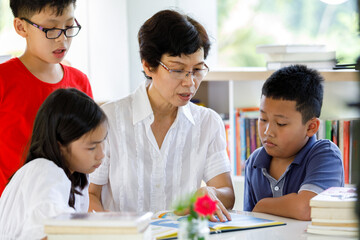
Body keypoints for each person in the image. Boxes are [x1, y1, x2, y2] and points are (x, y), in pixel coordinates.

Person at [88, 9, 235, 222]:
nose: (190, 82)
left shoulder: (208, 122)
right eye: (178, 70)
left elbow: (227, 194)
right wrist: (116, 230)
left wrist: (211, 194)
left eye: (197, 69)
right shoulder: (109, 119)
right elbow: (90, 195)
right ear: (148, 65)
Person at [0, 0, 93, 195]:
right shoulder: (4, 79)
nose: (62, 39)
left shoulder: (79, 82)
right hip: (11, 209)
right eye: (51, 29)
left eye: (68, 26)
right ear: (21, 26)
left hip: (65, 205)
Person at [0, 88, 107, 240]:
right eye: (91, 147)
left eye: (104, 141)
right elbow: (54, 232)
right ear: (60, 146)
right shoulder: (44, 171)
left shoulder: (76, 175)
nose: (101, 154)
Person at [243, 65, 344, 220]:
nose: (267, 131)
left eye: (281, 123)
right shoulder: (254, 162)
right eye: (263, 119)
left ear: (311, 127)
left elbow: (306, 208)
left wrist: (262, 205)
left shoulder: (325, 154)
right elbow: (249, 221)